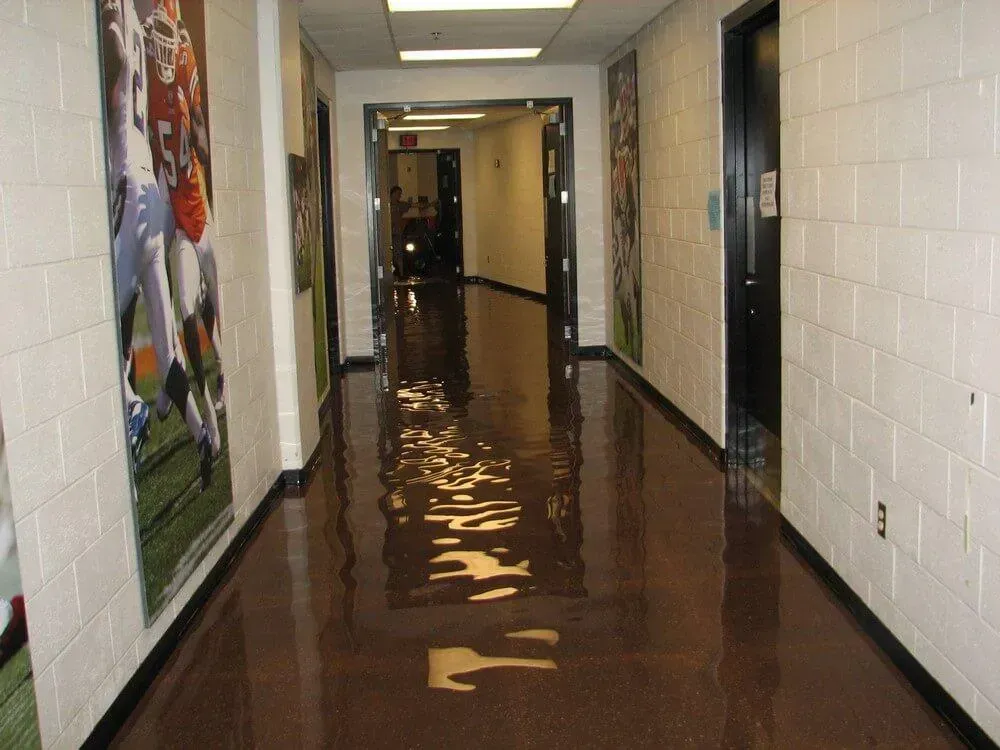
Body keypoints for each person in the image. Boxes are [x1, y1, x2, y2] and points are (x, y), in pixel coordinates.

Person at [389, 185, 410, 278]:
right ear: (393, 194)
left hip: (397, 233)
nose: (399, 196)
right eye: (398, 194)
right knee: (390, 254)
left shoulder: (400, 205)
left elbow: (413, 205)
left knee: (398, 254)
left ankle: (401, 274)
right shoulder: (386, 205)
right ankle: (392, 274)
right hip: (388, 233)